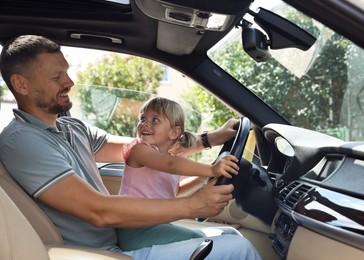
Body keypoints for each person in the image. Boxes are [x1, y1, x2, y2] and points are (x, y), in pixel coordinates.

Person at [0, 35, 262, 259]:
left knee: (228, 234)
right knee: (238, 248)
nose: (69, 82)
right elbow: (98, 210)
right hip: (98, 253)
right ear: (21, 84)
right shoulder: (21, 141)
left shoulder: (71, 127)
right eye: (57, 77)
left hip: (118, 239)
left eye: (67, 72)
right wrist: (193, 205)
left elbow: (147, 150)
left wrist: (209, 139)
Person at [117, 96, 239, 251]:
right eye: (142, 118)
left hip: (156, 225)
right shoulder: (139, 151)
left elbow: (177, 191)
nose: (145, 123)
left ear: (174, 132)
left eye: (155, 120)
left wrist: (205, 175)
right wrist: (211, 169)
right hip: (134, 229)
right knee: (202, 244)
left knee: (229, 233)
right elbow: (171, 165)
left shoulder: (167, 159)